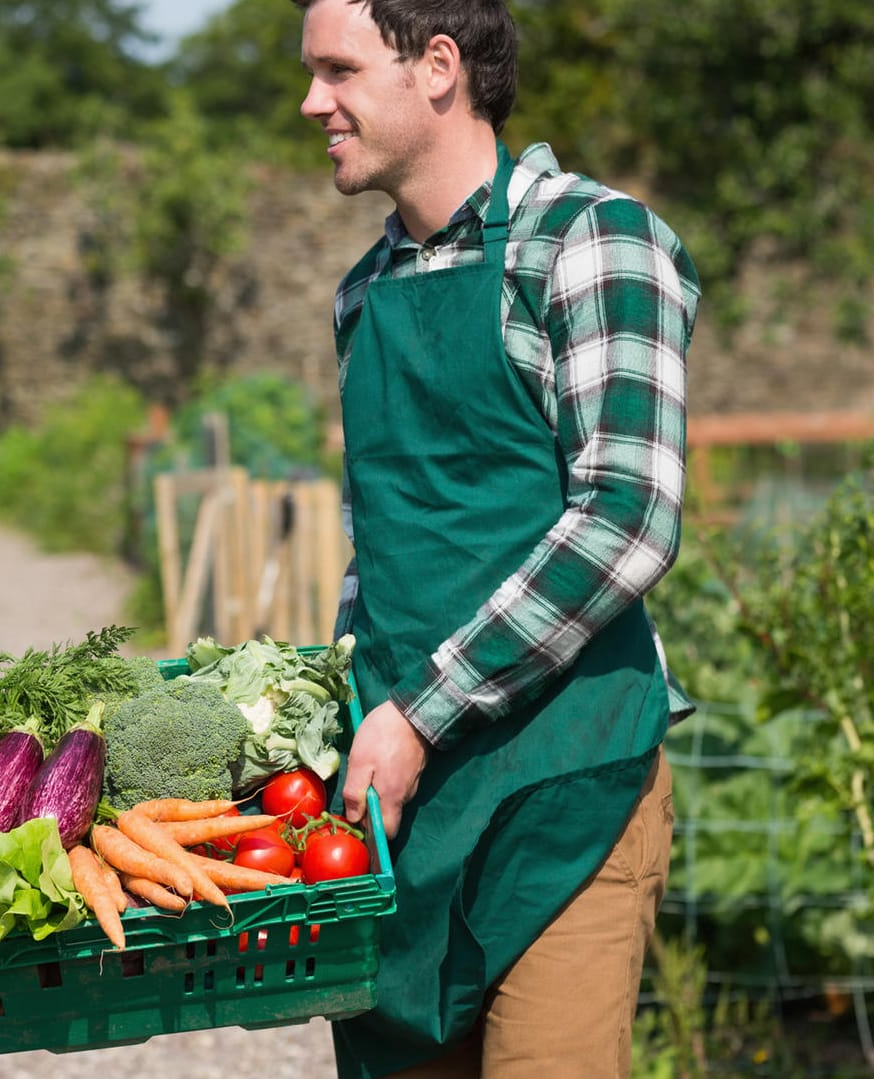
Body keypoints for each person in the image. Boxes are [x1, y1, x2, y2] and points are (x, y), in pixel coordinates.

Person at [291, 1, 700, 1076]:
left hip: (565, 780)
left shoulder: (590, 240)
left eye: (337, 70)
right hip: (401, 802)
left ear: (436, 68)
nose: (310, 102)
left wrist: (420, 712)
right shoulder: (363, 294)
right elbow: (381, 546)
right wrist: (325, 718)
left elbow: (627, 517)